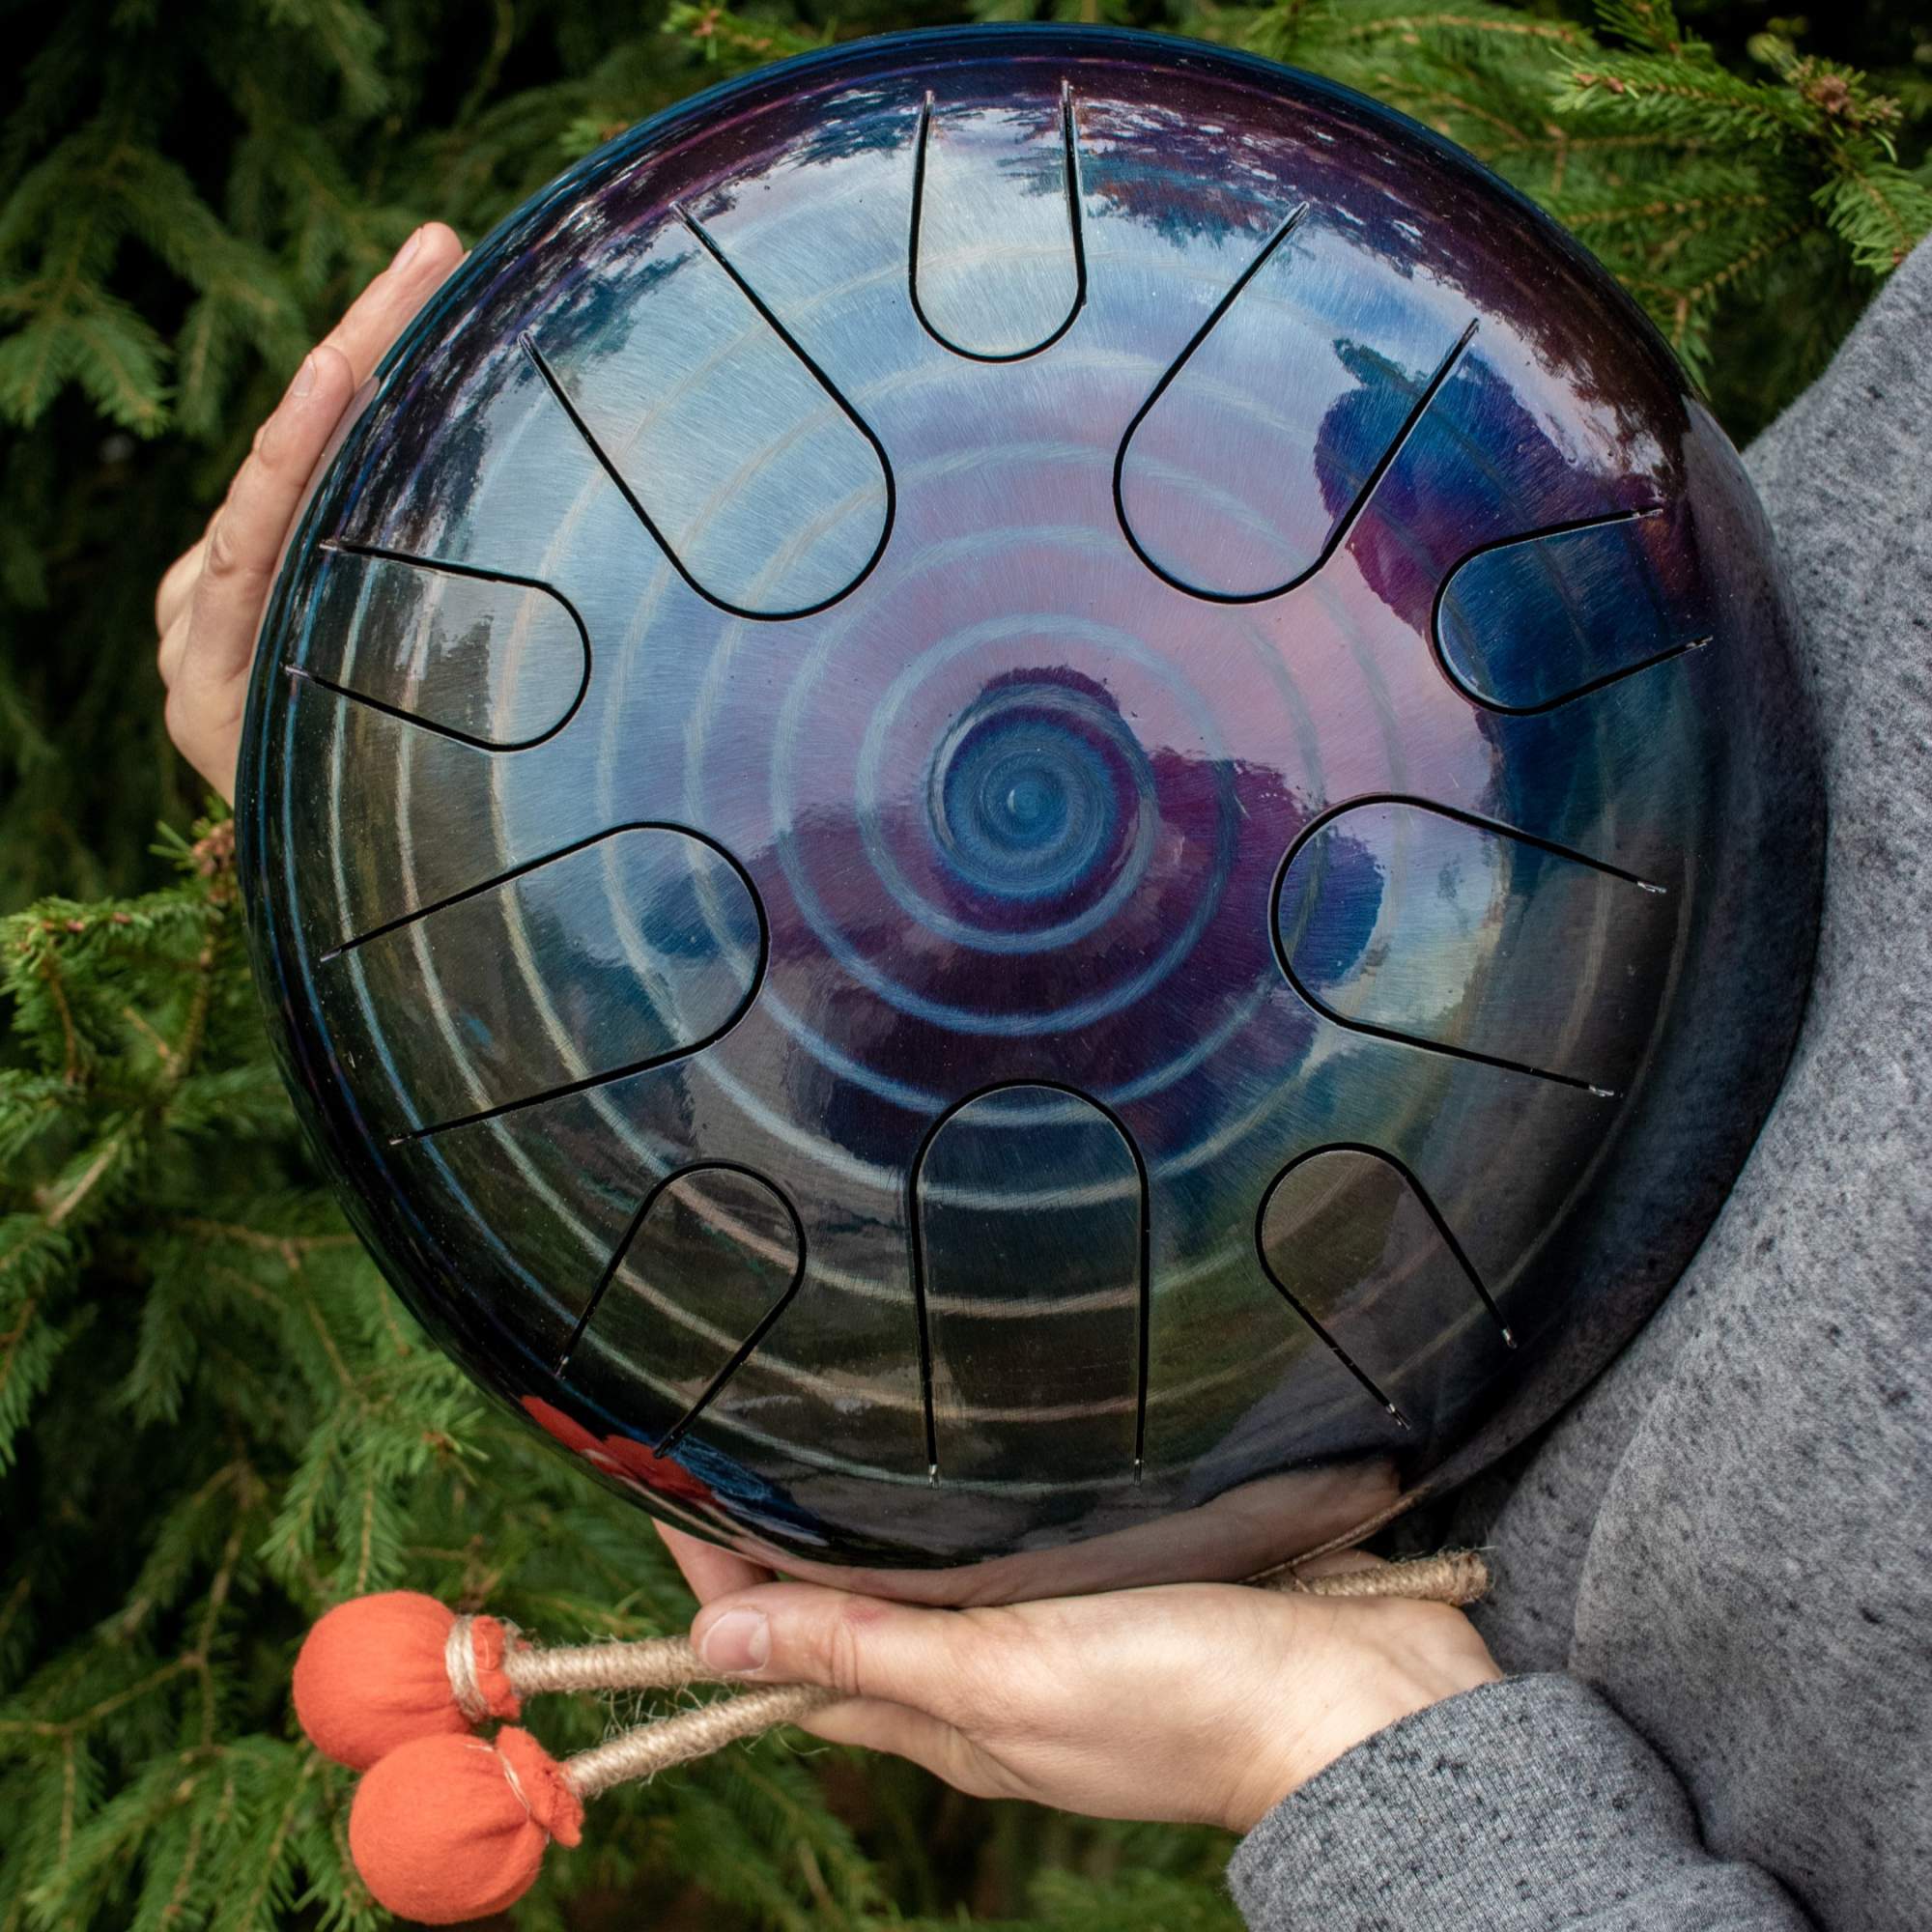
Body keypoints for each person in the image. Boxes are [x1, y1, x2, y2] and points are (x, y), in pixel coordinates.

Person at [159, 222, 1931, 1931]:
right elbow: (1625, 751)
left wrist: (1352, 1761)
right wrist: (423, 848)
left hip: (1381, 1415)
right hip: (1378, 1361)